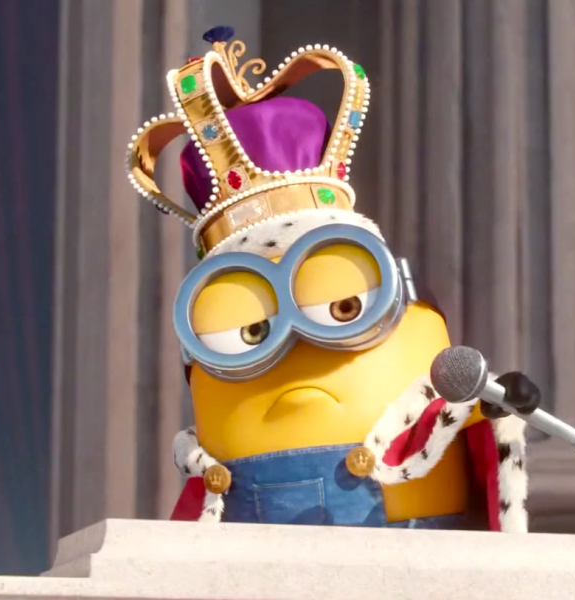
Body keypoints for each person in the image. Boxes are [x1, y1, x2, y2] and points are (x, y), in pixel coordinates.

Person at [127, 27, 530, 532]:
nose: (292, 332)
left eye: (342, 303)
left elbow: (452, 412)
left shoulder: (410, 318)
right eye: (246, 322)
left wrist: (493, 404)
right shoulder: (211, 368)